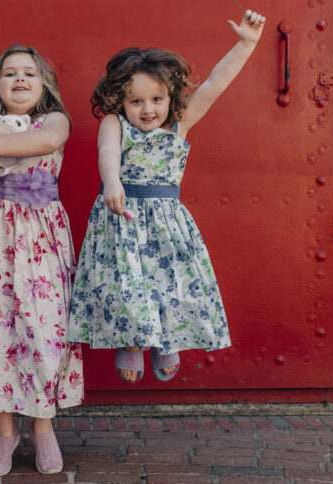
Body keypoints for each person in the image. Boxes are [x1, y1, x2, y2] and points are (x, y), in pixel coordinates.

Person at [68, 11, 266, 384]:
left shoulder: (180, 123)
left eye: (157, 99)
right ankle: (133, 341)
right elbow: (108, 152)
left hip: (165, 218)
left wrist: (247, 42)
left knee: (169, 281)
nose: (148, 109)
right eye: (137, 101)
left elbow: (215, 82)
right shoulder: (114, 123)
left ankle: (167, 339)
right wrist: (111, 182)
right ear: (119, 101)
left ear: (169, 97)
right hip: (122, 214)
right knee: (127, 282)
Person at [0, 45, 84, 476]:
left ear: (43, 84)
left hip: (39, 236)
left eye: (29, 73)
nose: (20, 79)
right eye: (10, 74)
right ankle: (4, 431)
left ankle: (43, 425)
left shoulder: (54, 119)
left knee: (44, 329)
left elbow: (45, 142)